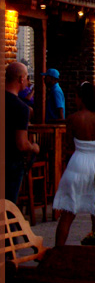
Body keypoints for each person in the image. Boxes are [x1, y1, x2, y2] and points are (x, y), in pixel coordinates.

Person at [53, 82, 95, 246]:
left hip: (78, 163)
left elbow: (69, 146)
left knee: (68, 212)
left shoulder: (73, 118)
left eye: (76, 97)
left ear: (81, 98)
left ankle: (58, 251)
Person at [5, 62, 40, 203]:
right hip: (11, 162)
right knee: (8, 206)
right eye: (27, 78)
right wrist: (34, 147)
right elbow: (21, 144)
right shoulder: (21, 108)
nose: (28, 81)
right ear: (20, 79)